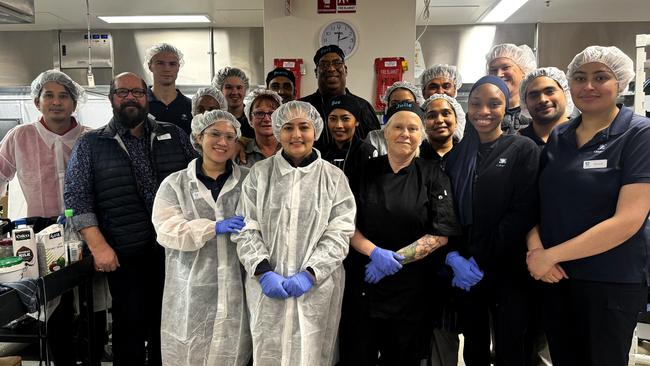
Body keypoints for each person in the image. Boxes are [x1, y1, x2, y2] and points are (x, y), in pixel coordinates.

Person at [526, 46, 650, 366]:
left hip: (610, 281)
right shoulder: (560, 136)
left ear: (620, 82)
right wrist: (536, 251)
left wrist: (550, 255)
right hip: (557, 278)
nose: (589, 86)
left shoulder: (639, 135)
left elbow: (628, 221)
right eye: (580, 78)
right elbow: (539, 203)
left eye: (601, 77)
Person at [64, 72, 197, 365]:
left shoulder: (173, 135)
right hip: (124, 253)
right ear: (112, 98)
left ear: (146, 96)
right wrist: (98, 247)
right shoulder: (91, 144)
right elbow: (76, 198)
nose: (130, 98)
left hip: (173, 253)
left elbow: (196, 181)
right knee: (130, 329)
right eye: (122, 92)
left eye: (136, 92)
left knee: (171, 328)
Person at [232, 101, 356, 365]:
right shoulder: (259, 174)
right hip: (267, 286)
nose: (296, 135)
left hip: (317, 289)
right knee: (269, 352)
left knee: (312, 352)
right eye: (288, 127)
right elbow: (246, 226)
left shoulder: (333, 178)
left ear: (316, 131)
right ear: (278, 132)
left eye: (304, 127)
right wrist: (263, 270)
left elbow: (340, 231)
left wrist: (311, 273)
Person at [339, 101, 461, 366]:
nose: (405, 133)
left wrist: (395, 260)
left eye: (413, 128)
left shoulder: (433, 175)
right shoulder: (362, 172)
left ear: (422, 135)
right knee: (358, 355)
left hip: (412, 292)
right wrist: (374, 253)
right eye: (398, 127)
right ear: (385, 132)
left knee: (404, 357)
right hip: (364, 286)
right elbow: (345, 223)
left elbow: (440, 233)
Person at [445, 76, 540, 365]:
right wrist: (456, 258)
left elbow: (522, 211)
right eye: (475, 104)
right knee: (473, 345)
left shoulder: (522, 149)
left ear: (506, 107)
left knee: (511, 346)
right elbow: (448, 211)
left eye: (493, 104)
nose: (483, 111)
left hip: (508, 269)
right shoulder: (456, 156)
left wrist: (479, 257)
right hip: (467, 272)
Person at [0, 69, 88, 365]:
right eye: (48, 95)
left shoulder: (89, 139)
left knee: (90, 304)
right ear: (37, 102)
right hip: (38, 232)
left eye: (64, 96)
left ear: (74, 102)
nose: (56, 102)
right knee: (52, 308)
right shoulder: (20, 137)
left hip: (86, 229)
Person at [152, 109, 252, 365]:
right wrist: (213, 227)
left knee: (234, 353)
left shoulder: (250, 181)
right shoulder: (175, 184)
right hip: (190, 290)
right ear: (198, 137)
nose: (222, 142)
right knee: (190, 353)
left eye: (230, 136)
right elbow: (166, 230)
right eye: (215, 134)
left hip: (237, 288)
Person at [300, 45, 380, 149]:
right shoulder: (303, 107)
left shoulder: (363, 107)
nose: (331, 68)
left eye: (337, 63)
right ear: (316, 72)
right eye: (324, 64)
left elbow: (376, 146)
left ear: (345, 70)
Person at [322, 94, 377, 178]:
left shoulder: (366, 152)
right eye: (333, 119)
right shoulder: (323, 153)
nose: (338, 125)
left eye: (345, 119)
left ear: (357, 121)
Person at [486, 43, 537, 134]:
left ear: (524, 70)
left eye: (506, 68)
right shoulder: (483, 113)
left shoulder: (537, 109)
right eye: (493, 70)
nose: (498, 75)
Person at [365, 81, 425, 155]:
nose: (401, 108)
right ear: (387, 106)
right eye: (395, 104)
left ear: (417, 105)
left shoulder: (424, 138)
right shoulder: (374, 138)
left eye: (407, 103)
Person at [144, 43, 193, 135]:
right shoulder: (139, 105)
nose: (167, 69)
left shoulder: (191, 107)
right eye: (160, 63)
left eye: (172, 64)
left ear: (178, 67)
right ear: (150, 66)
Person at [519, 67, 574, 148]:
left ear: (566, 93)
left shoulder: (584, 136)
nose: (542, 100)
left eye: (549, 91)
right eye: (534, 95)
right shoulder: (517, 143)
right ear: (525, 103)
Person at [236, 88, 282, 167]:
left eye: (272, 113)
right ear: (250, 119)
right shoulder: (239, 153)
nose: (267, 119)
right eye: (259, 113)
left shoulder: (290, 150)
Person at [420, 93, 466, 164]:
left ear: (456, 120)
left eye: (446, 113)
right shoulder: (414, 157)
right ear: (423, 123)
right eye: (431, 116)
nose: (439, 120)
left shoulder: (466, 156)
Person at [213, 67, 255, 138]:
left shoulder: (254, 118)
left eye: (239, 87)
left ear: (245, 90)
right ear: (219, 90)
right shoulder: (214, 119)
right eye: (228, 87)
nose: (235, 92)